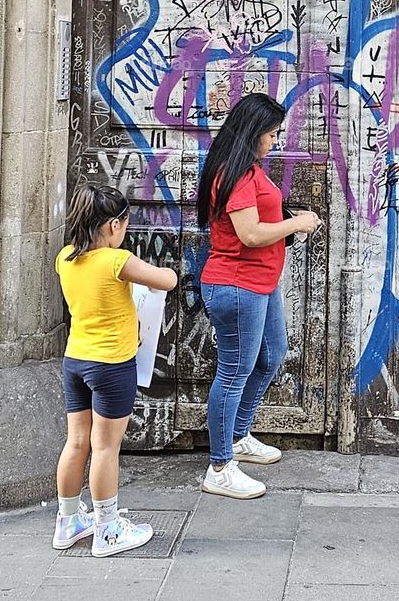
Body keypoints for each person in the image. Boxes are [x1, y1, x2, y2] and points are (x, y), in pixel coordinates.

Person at [198, 92, 321, 500]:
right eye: (271, 134)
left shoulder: (247, 168)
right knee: (233, 373)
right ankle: (219, 466)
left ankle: (237, 436)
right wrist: (297, 224)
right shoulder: (233, 175)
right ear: (252, 133)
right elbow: (249, 235)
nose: (274, 141)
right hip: (237, 286)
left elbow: (257, 219)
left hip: (259, 283)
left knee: (271, 356)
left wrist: (284, 216)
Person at [52, 183, 178, 556]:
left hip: (75, 361)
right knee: (105, 447)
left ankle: (69, 521)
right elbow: (167, 280)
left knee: (76, 442)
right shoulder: (116, 261)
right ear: (111, 227)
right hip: (111, 366)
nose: (124, 232)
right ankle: (107, 530)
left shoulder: (65, 258)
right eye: (124, 224)